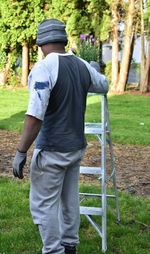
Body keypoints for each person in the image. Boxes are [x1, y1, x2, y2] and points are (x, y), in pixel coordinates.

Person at [12, 19, 109, 254]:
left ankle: (54, 250)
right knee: (69, 200)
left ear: (40, 42)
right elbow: (103, 85)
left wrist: (21, 151)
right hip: (75, 148)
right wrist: (93, 70)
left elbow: (35, 116)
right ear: (64, 40)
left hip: (52, 150)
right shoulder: (82, 65)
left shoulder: (44, 68)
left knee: (43, 206)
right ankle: (69, 245)